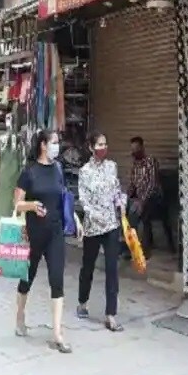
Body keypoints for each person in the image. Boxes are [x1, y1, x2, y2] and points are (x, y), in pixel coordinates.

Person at [13, 130, 80, 353]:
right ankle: (20, 316)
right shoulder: (29, 172)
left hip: (55, 232)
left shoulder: (58, 169)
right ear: (43, 145)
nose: (57, 146)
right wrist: (32, 206)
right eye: (54, 142)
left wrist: (76, 219)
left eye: (57, 143)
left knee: (56, 279)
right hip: (33, 234)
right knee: (27, 278)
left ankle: (57, 333)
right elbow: (17, 204)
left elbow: (63, 198)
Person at [76, 134, 124, 332]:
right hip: (93, 227)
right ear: (91, 147)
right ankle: (82, 302)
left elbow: (117, 191)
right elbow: (83, 199)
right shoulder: (84, 171)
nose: (103, 147)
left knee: (112, 269)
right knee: (88, 266)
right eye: (99, 144)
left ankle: (110, 314)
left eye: (105, 144)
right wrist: (93, 215)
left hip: (112, 225)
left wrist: (121, 205)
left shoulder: (112, 166)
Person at [127, 136, 174, 256]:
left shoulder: (151, 161)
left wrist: (142, 201)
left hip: (154, 198)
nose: (134, 152)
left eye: (136, 149)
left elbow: (152, 184)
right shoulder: (135, 165)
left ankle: (145, 250)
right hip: (140, 199)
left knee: (143, 212)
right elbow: (132, 185)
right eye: (132, 149)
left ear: (142, 148)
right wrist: (126, 197)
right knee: (127, 211)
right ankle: (131, 247)